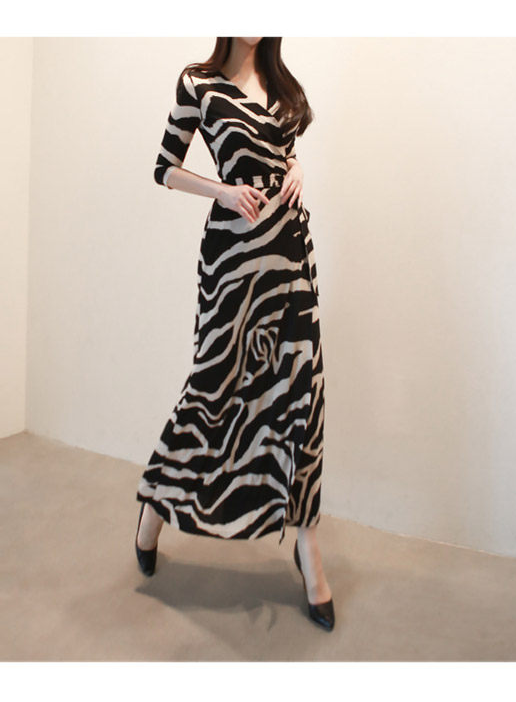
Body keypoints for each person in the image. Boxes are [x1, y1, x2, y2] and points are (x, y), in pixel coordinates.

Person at [134, 37, 333, 631]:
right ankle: (155, 504)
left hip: (289, 255)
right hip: (233, 259)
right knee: (214, 390)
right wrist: (222, 189)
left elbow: (284, 153)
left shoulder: (283, 85)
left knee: (301, 395)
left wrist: (295, 167)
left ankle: (308, 550)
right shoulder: (198, 82)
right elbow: (164, 167)